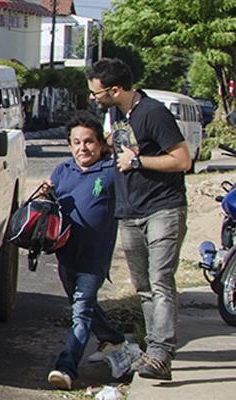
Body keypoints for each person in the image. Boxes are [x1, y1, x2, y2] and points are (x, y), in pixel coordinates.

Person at [86, 58, 191, 381]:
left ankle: (161, 353)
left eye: (97, 93)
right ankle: (153, 348)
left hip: (163, 208)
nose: (93, 98)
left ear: (116, 90)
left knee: (160, 280)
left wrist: (139, 160)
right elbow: (114, 151)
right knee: (144, 286)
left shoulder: (153, 113)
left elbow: (183, 159)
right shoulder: (116, 114)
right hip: (129, 211)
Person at [44, 112, 126, 390]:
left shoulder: (111, 172)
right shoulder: (62, 171)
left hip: (95, 259)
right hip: (66, 255)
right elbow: (49, 203)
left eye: (89, 142)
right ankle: (113, 337)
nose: (83, 148)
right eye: (77, 142)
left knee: (80, 312)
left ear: (101, 144)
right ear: (69, 145)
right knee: (83, 307)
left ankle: (66, 368)